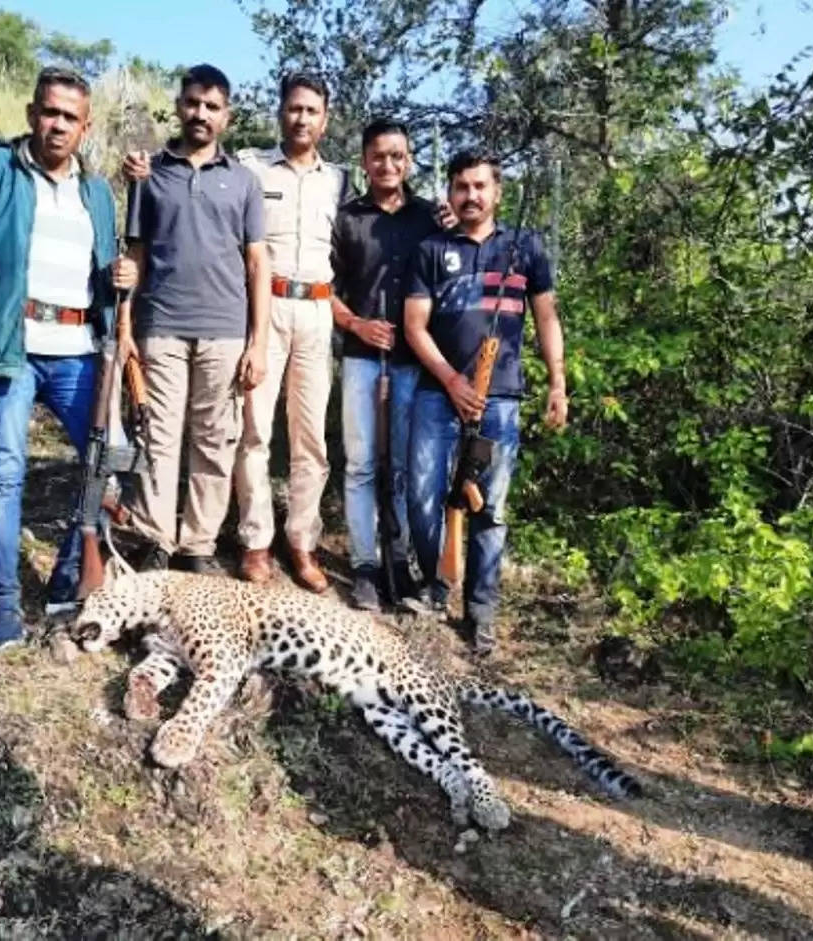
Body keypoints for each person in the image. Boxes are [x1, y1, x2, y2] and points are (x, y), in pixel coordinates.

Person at [0, 67, 137, 649]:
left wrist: (123, 276)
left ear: (85, 126)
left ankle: (69, 577)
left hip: (79, 354)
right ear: (31, 114)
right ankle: (3, 608)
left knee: (111, 466)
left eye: (70, 117)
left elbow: (106, 279)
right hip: (9, 352)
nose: (58, 125)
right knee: (3, 476)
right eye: (50, 112)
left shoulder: (96, 193)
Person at [404, 150, 568, 656]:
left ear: (496, 192)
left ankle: (481, 611)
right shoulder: (431, 250)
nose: (471, 196)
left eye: (480, 186)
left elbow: (546, 319)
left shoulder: (526, 249)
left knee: (489, 507)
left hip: (500, 400)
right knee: (422, 494)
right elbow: (414, 325)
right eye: (461, 187)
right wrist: (452, 380)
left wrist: (557, 383)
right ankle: (435, 591)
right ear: (449, 192)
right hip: (438, 394)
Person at [118, 64, 269, 573]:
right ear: (179, 106)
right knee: (158, 438)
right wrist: (125, 328)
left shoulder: (245, 183)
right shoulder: (149, 175)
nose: (200, 114)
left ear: (226, 116)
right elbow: (134, 254)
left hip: (225, 330)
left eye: (212, 106)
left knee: (215, 440)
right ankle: (156, 539)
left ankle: (198, 545)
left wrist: (258, 342)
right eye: (192, 103)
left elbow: (257, 262)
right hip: (160, 326)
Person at [232, 73, 353, 593]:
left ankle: (301, 541)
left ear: (325, 120)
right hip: (266, 306)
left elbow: (374, 221)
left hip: (317, 311)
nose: (302, 119)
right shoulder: (250, 167)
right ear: (281, 112)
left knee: (311, 437)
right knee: (253, 427)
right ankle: (256, 540)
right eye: (294, 109)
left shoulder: (341, 180)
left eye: (312, 111)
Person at [330, 118, 442, 611]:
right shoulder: (347, 218)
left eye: (397, 156)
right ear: (364, 161)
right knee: (360, 466)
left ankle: (399, 560)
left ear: (410, 160)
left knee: (400, 469)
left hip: (412, 363)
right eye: (379, 156)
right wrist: (356, 325)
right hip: (360, 360)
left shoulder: (430, 218)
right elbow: (323, 289)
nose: (388, 165)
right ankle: (365, 566)